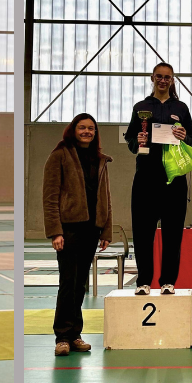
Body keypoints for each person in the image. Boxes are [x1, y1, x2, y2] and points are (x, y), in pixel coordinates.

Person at [43, 113, 112, 356]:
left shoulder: (100, 160)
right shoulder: (60, 155)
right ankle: (62, 337)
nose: (87, 132)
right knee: (68, 282)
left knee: (80, 284)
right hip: (69, 229)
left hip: (92, 229)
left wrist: (106, 230)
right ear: (73, 130)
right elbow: (50, 196)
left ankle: (75, 335)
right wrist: (55, 231)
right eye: (82, 128)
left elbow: (105, 197)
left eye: (91, 128)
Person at [125, 62, 192, 295]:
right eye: (159, 76)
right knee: (143, 231)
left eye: (167, 77)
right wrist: (139, 140)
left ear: (172, 80)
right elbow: (132, 142)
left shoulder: (181, 107)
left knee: (173, 233)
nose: (163, 80)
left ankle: (168, 282)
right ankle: (143, 281)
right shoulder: (141, 106)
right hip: (145, 177)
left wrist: (185, 135)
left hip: (174, 179)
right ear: (152, 78)